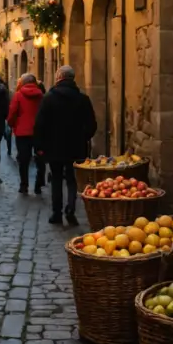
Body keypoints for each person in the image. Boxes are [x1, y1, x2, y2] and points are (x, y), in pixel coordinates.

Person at [34, 65, 97, 226]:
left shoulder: (48, 98)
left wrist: (39, 146)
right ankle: (70, 209)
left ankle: (56, 213)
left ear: (58, 78)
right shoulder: (83, 99)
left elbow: (40, 124)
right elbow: (92, 125)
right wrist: (83, 138)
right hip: (76, 147)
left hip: (53, 147)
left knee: (56, 179)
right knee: (72, 179)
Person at [8, 73, 45, 195]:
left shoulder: (18, 95)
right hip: (39, 132)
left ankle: (24, 185)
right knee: (40, 158)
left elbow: (13, 112)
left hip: (22, 132)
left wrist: (12, 124)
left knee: (23, 160)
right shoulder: (41, 96)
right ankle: (38, 185)